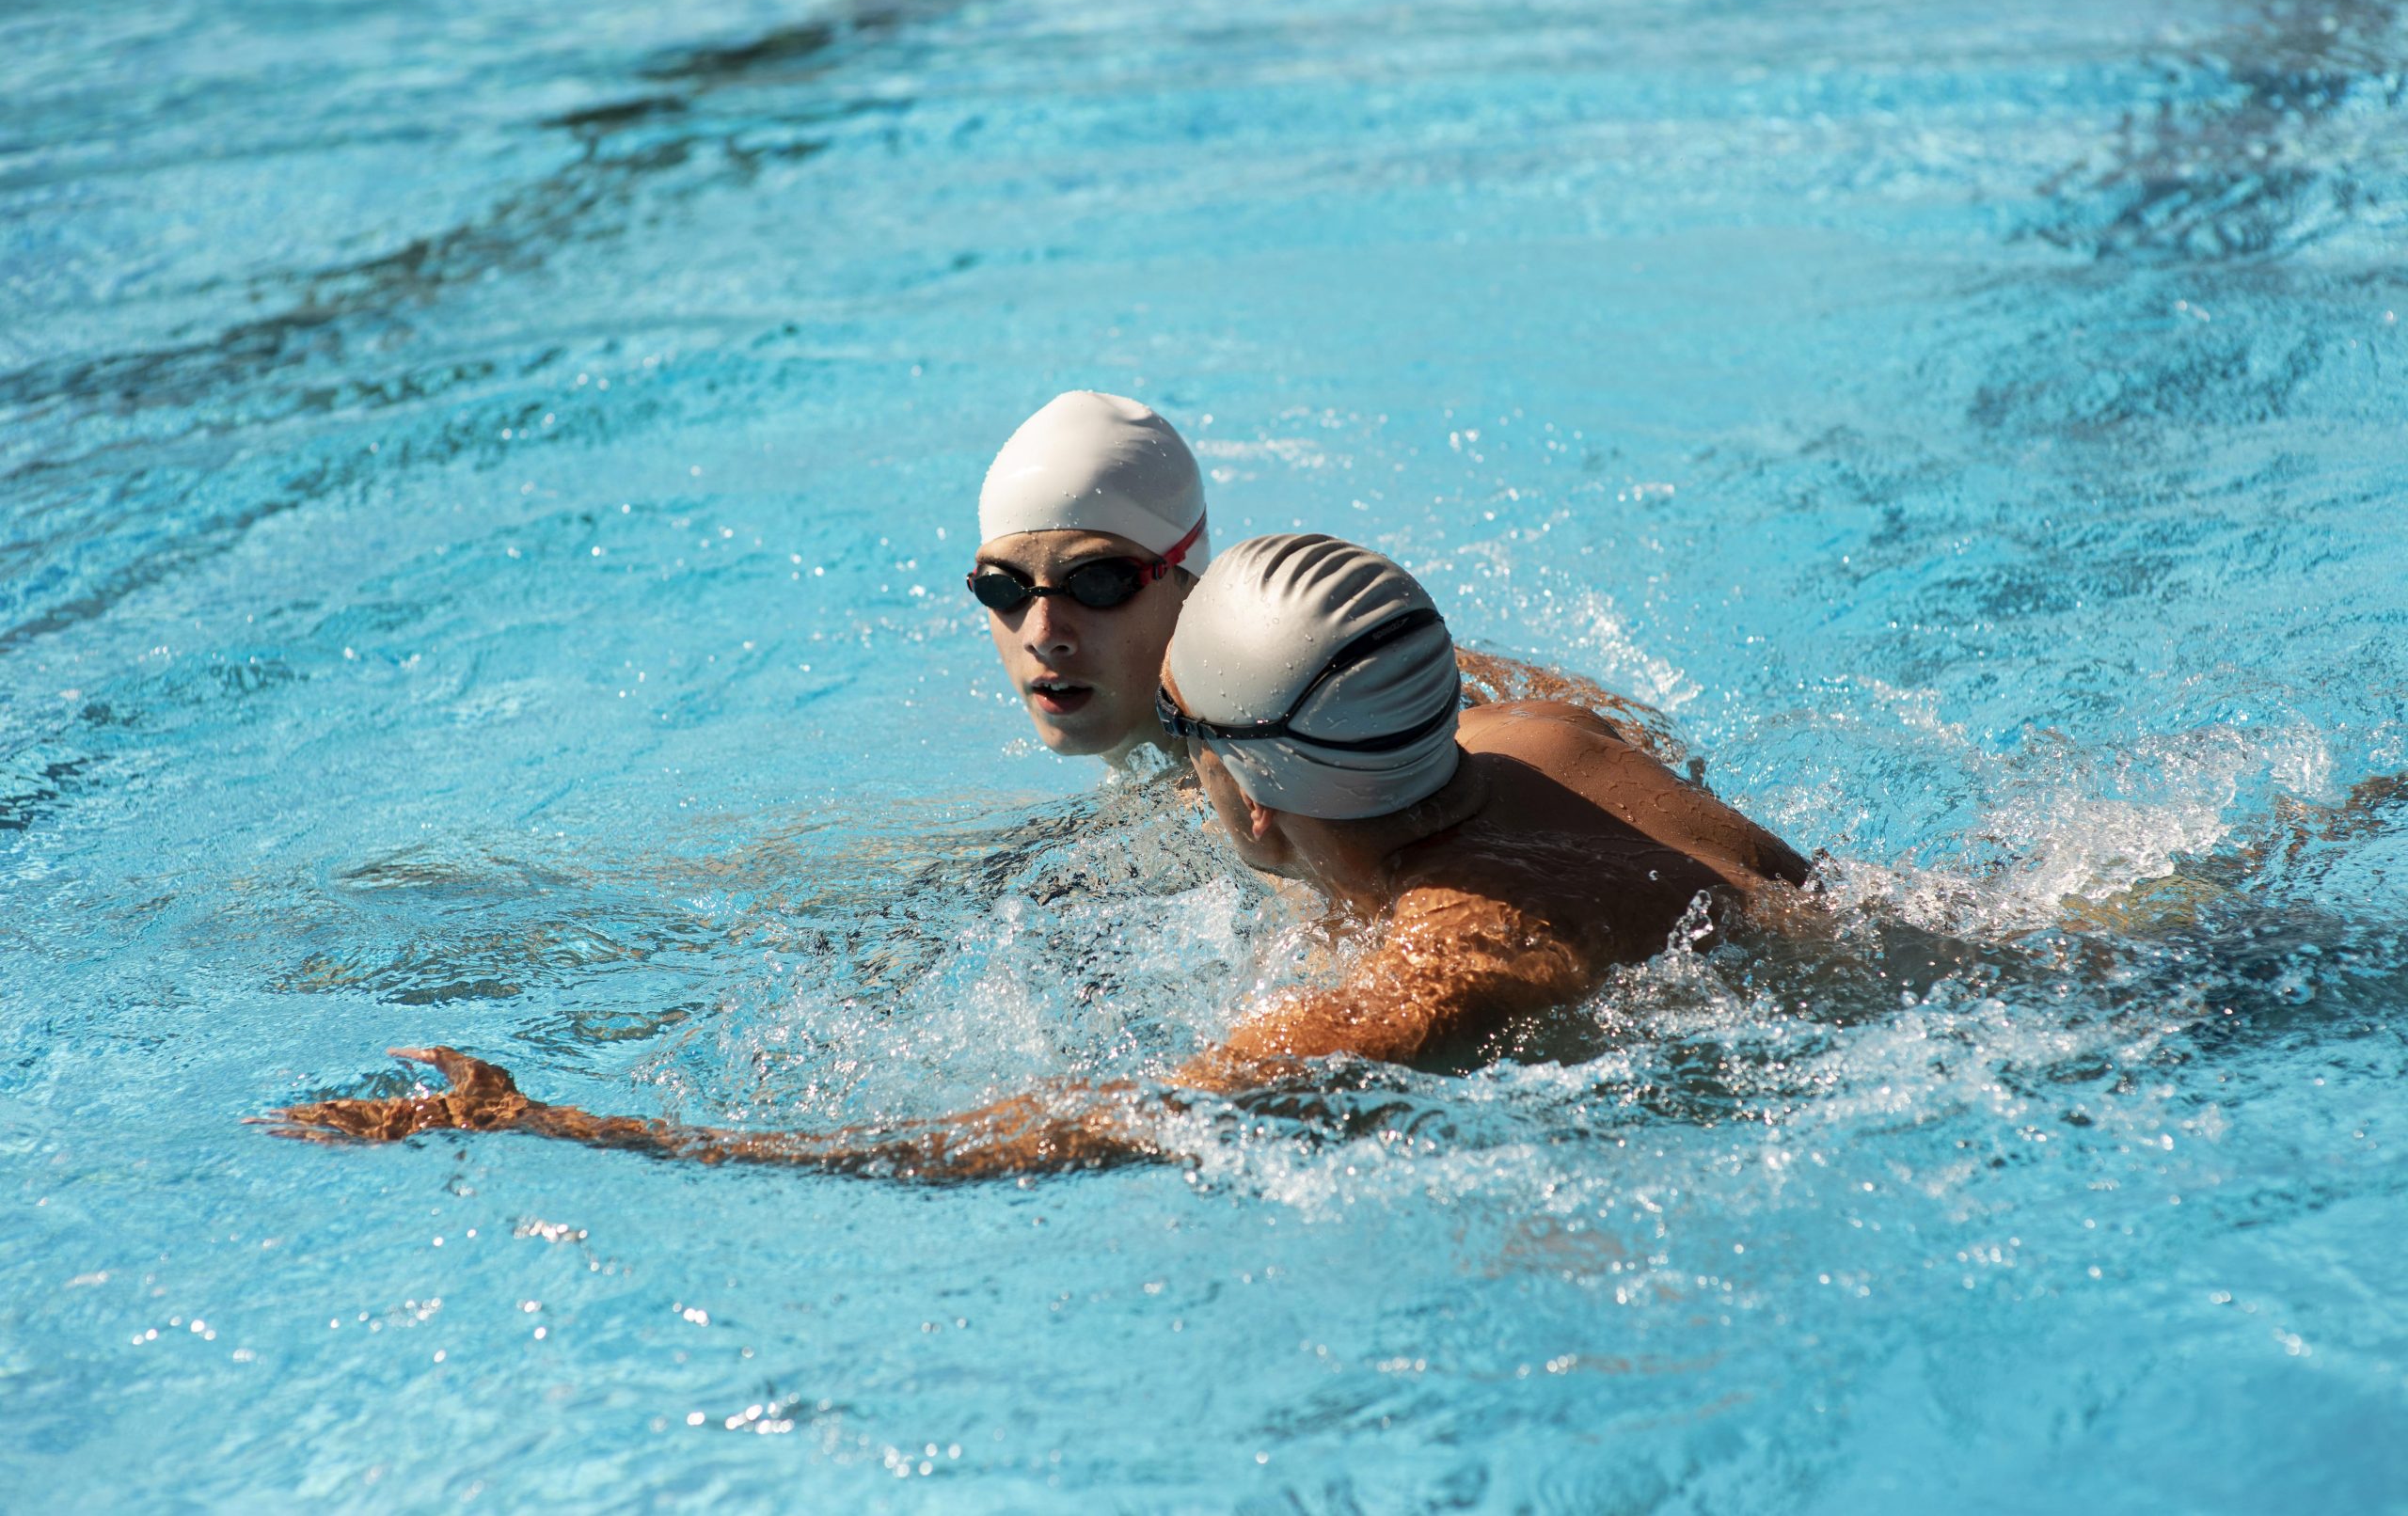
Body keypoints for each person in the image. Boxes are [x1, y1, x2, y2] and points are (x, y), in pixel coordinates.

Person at [265, 536, 1810, 1176]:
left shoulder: (1441, 965)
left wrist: (571, 1123)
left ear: (1249, 803)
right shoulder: (1545, 739)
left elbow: (1084, 1129)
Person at [968, 390, 1689, 770]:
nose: (1044, 633)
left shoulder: (1311, 680)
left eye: (1097, 581)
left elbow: (1639, 740)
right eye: (1004, 589)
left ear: (1190, 582)